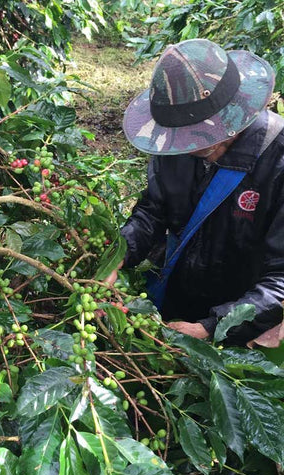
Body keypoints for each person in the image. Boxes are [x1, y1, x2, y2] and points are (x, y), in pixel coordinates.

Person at [109, 38, 284, 346]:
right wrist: (120, 254)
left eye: (202, 143)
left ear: (233, 117)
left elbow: (281, 279)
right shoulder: (177, 141)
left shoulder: (277, 161)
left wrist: (213, 327)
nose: (190, 149)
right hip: (178, 294)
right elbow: (154, 210)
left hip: (240, 319)